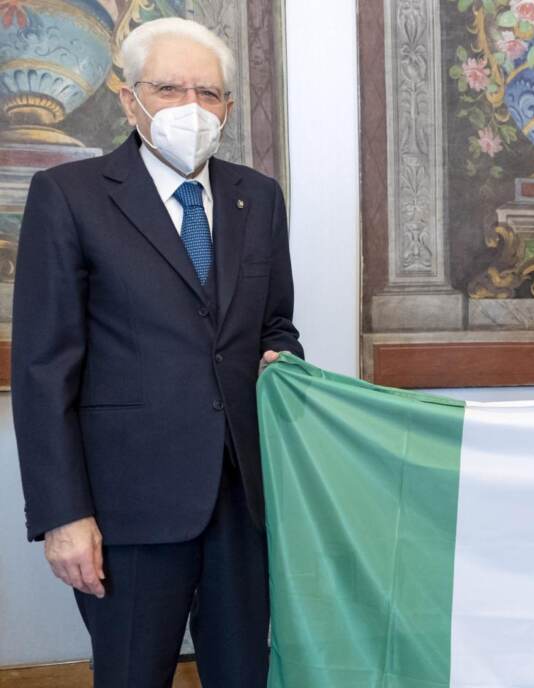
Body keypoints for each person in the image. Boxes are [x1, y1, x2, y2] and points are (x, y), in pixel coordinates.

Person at [12, 17, 302, 687]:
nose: (190, 107)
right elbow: (42, 369)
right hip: (126, 509)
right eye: (169, 89)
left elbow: (275, 325)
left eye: (208, 92)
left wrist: (280, 359)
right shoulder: (70, 196)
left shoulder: (258, 197)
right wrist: (62, 515)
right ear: (129, 98)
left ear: (228, 106)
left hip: (243, 504)